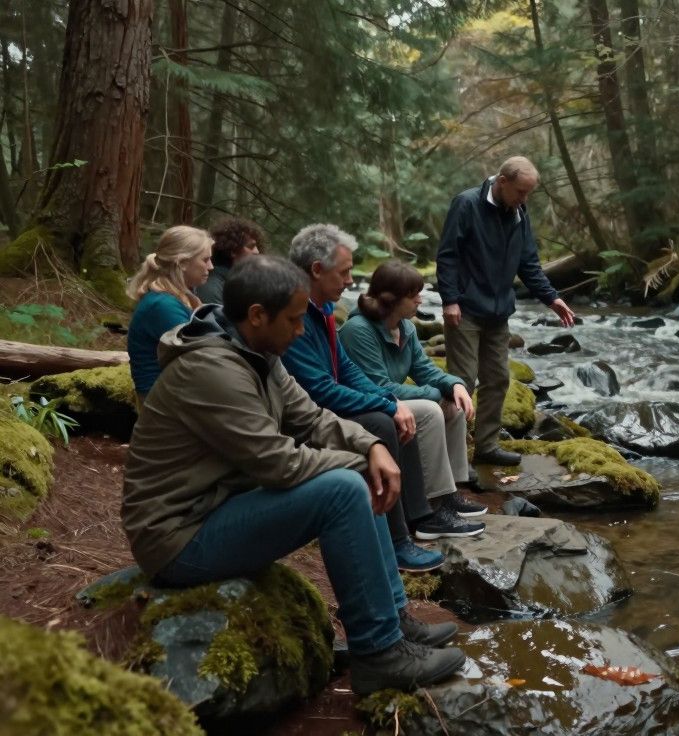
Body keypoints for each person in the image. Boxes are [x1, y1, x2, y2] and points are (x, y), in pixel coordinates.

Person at [120, 255, 465, 695]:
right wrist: (359, 462)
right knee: (344, 487)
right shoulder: (212, 371)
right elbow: (279, 464)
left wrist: (371, 445)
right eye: (294, 320)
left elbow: (313, 419)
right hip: (177, 537)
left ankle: (393, 621)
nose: (302, 331)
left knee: (355, 471)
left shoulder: (257, 350)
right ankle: (378, 654)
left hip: (216, 505)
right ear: (258, 316)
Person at [282, 224, 487, 560]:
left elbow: (347, 369)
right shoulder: (306, 316)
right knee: (388, 419)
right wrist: (389, 403)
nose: (350, 281)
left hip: (328, 405)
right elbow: (321, 389)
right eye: (345, 272)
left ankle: (441, 500)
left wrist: (448, 385)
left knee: (399, 411)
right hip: (305, 419)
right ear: (317, 270)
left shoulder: (326, 310)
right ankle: (412, 524)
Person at [437, 156, 575, 466]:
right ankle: (454, 462)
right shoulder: (467, 204)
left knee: (498, 379)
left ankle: (486, 447)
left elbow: (528, 263)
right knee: (461, 381)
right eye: (520, 192)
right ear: (502, 182)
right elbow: (447, 256)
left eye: (528, 194)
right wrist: (449, 300)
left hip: (499, 313)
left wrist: (551, 298)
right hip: (466, 309)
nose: (524, 200)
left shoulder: (518, 212)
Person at [338, 261, 480, 519]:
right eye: (413, 294)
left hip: (389, 400)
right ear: (390, 298)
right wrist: (436, 394)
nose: (420, 299)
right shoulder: (357, 331)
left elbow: (425, 370)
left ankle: (450, 492)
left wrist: (454, 384)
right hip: (365, 407)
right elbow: (379, 387)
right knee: (429, 410)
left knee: (454, 405)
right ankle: (434, 501)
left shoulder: (406, 328)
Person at [126, 226, 213, 397]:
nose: (211, 266)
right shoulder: (163, 305)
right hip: (161, 406)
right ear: (182, 263)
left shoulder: (178, 297)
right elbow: (197, 360)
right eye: (205, 260)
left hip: (172, 396)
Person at [196, 216, 265, 304]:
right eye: (251, 247)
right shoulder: (212, 286)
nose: (257, 252)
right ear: (233, 250)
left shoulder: (237, 283)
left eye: (257, 247)